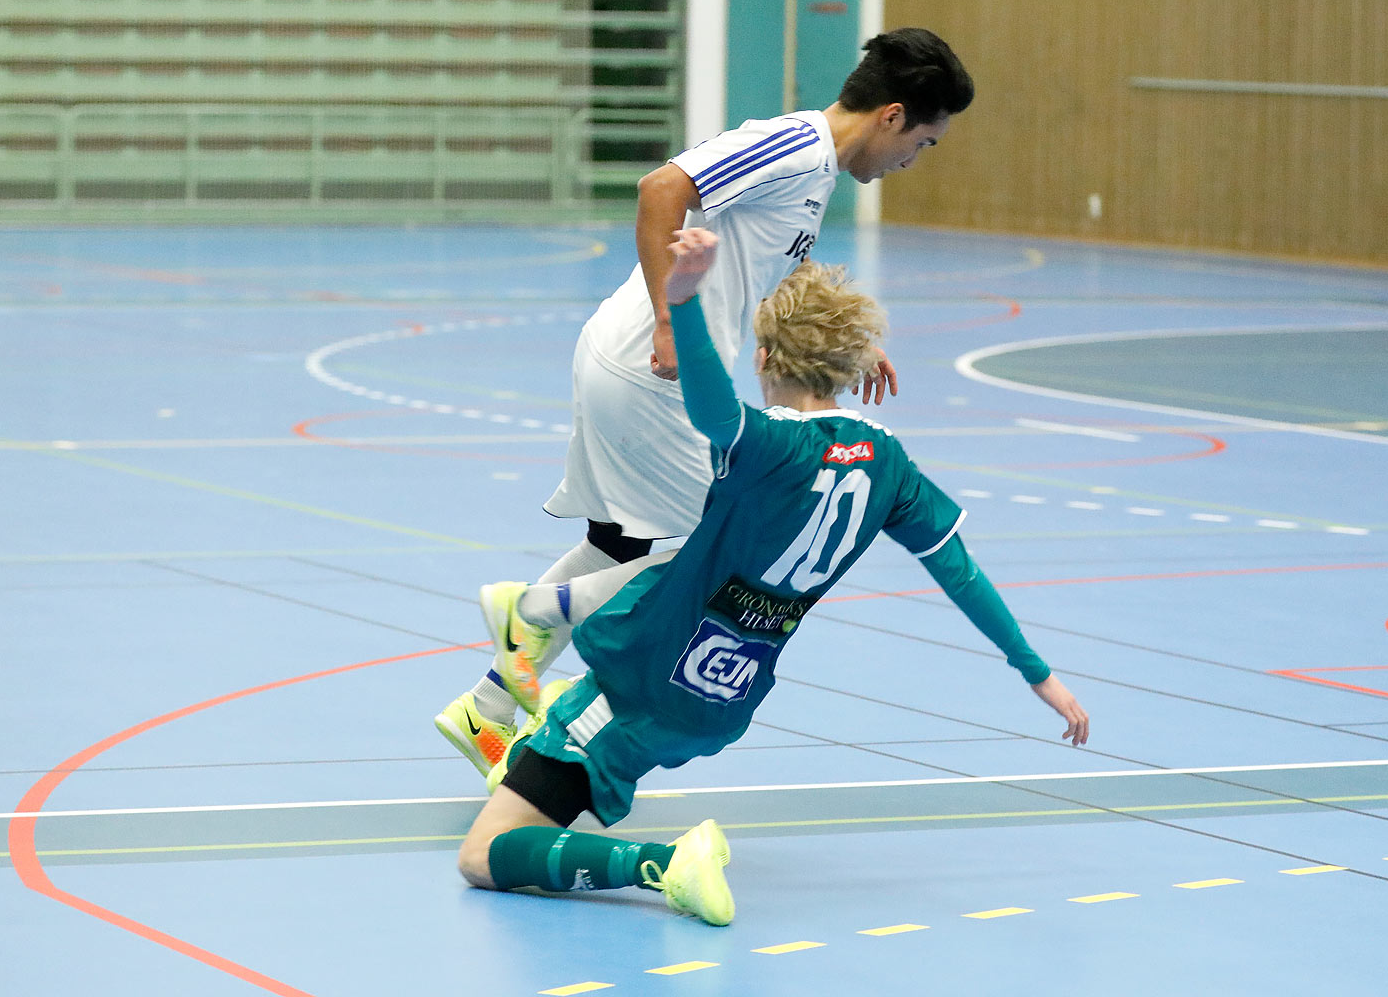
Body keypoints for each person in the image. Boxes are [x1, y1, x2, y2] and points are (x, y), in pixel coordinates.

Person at [454, 227, 1090, 925]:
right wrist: (1038, 674)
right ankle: (540, 623)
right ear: (847, 364)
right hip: (720, 703)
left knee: (485, 854)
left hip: (643, 681)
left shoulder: (769, 447)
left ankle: (664, 865)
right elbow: (959, 573)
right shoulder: (889, 464)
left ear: (760, 356)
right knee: (659, 582)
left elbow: (711, 408)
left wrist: (683, 299)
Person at [435, 28, 976, 774]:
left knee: (621, 545)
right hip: (647, 369)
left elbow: (767, 269)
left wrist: (848, 337)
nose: (915, 159)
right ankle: (532, 617)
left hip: (633, 367)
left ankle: (486, 710)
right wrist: (667, 319)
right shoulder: (794, 145)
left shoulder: (813, 176)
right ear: (891, 116)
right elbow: (663, 190)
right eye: (923, 142)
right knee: (719, 552)